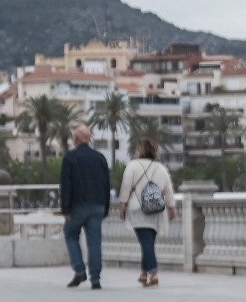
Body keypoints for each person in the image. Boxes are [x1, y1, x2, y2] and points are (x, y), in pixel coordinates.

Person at [115, 136, 175, 286]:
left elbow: (126, 186)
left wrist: (123, 205)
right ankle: (143, 272)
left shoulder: (133, 166)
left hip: (138, 208)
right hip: (157, 209)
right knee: (148, 241)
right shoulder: (161, 168)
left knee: (146, 241)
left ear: (140, 150)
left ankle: (153, 273)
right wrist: (172, 207)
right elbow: (168, 190)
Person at [58, 124, 111, 290]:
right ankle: (95, 279)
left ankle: (79, 270)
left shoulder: (70, 158)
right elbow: (106, 185)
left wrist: (65, 210)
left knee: (70, 234)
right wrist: (106, 208)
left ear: (76, 139)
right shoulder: (100, 157)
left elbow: (66, 185)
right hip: (97, 206)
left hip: (77, 207)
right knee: (95, 242)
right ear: (89, 139)